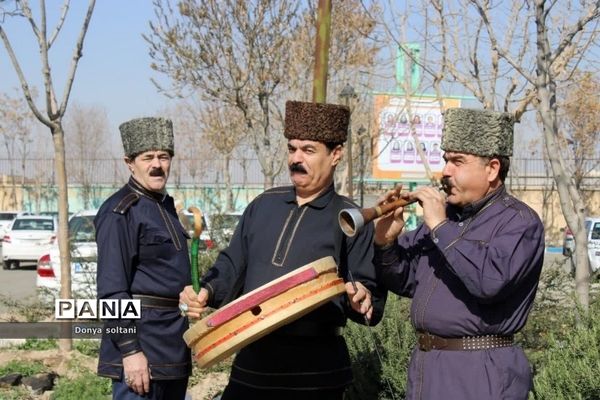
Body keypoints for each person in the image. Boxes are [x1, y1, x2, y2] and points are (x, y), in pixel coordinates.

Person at [180, 100, 386, 400]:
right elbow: (232, 265)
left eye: (308, 150)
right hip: (252, 367)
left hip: (315, 377)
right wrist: (206, 290)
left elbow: (370, 296)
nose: (296, 159)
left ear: (336, 154)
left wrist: (361, 297)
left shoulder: (351, 218)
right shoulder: (263, 205)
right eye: (292, 149)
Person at [373, 108, 544, 400]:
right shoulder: (446, 218)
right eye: (445, 160)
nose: (446, 171)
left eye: (458, 161)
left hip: (480, 371)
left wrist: (440, 226)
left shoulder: (520, 222)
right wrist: (386, 242)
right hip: (427, 367)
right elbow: (405, 281)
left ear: (491, 169)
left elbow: (489, 282)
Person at [95, 117, 191, 399]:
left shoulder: (166, 207)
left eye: (163, 156)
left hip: (173, 345)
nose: (157, 164)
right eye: (148, 157)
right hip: (142, 350)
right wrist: (130, 349)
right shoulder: (120, 212)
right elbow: (111, 291)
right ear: (129, 163)